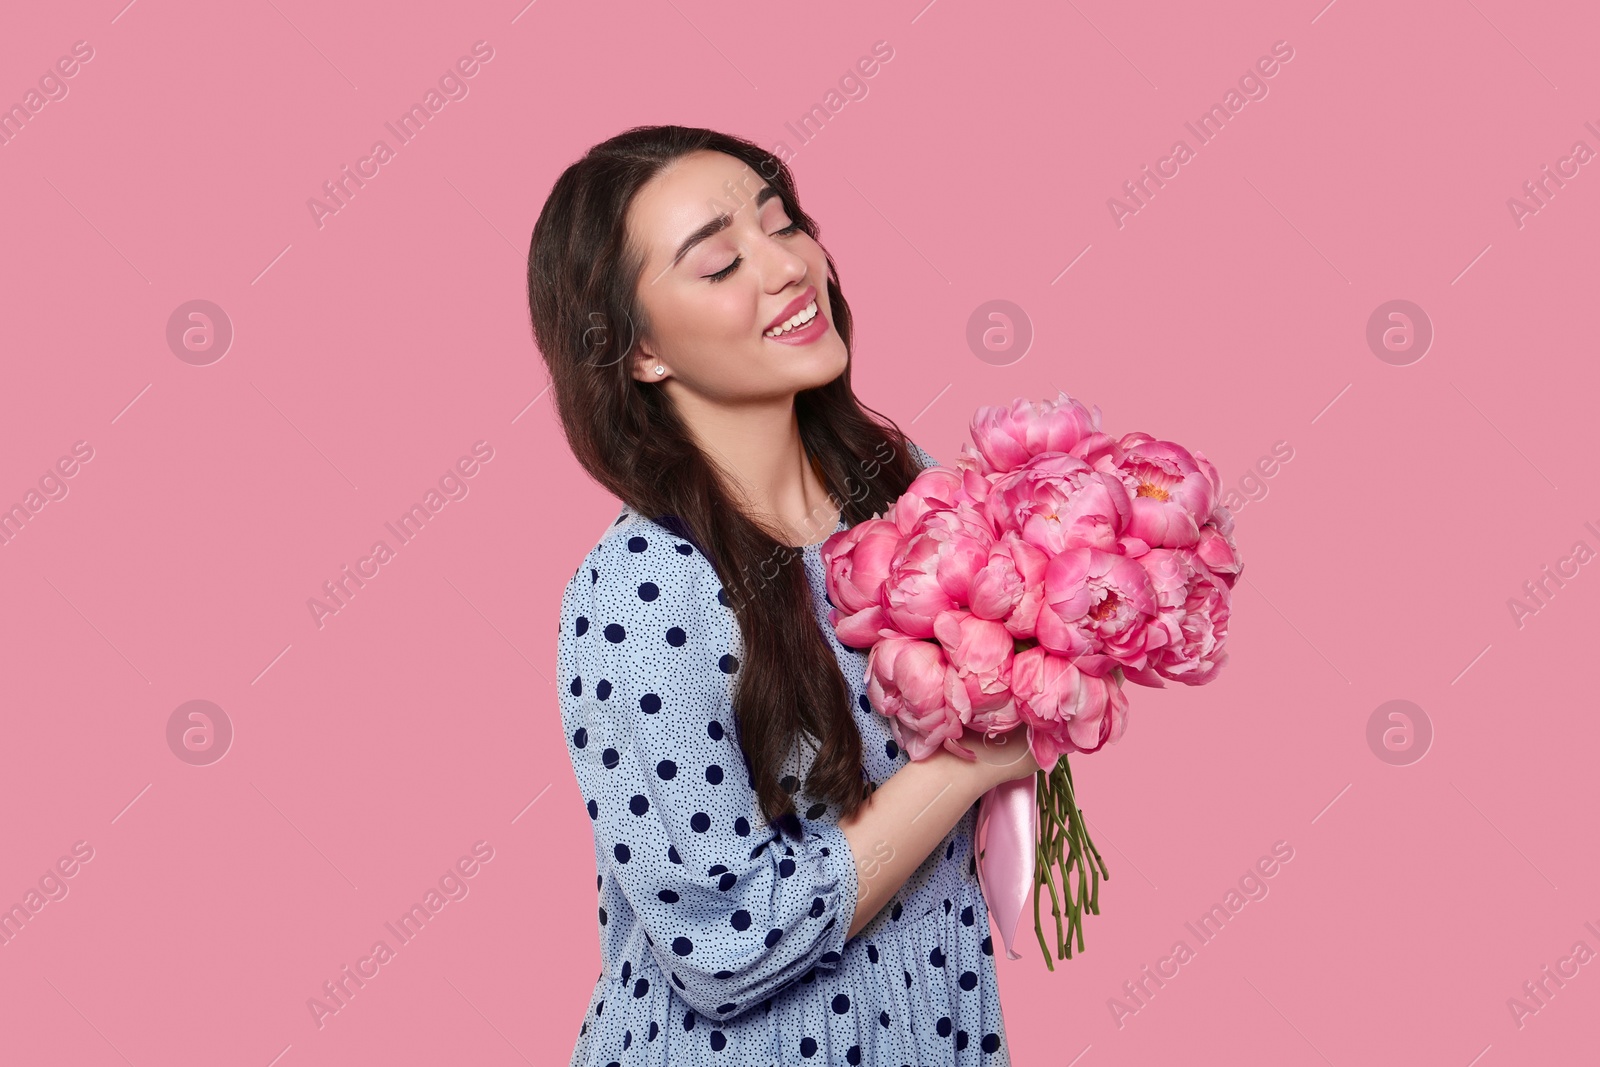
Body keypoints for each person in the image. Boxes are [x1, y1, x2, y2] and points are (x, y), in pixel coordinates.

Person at [528, 124, 1039, 1066]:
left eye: (785, 223)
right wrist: (970, 762)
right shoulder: (643, 596)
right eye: (721, 264)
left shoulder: (907, 492)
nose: (787, 267)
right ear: (640, 353)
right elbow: (723, 944)